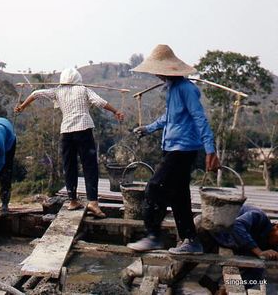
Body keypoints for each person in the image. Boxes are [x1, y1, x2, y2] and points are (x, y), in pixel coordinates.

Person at [126, 44, 220, 254]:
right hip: (171, 147)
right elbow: (169, 118)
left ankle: (152, 236)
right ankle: (191, 240)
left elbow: (199, 118)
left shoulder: (186, 89)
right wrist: (148, 128)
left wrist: (210, 149)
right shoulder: (172, 88)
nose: (157, 75)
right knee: (179, 196)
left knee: (154, 187)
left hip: (183, 149)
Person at [14, 67, 124, 218]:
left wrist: (22, 107)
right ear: (77, 79)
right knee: (90, 166)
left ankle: (73, 200)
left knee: (69, 165)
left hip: (66, 133)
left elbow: (35, 94)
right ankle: (93, 202)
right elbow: (99, 102)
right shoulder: (83, 90)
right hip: (84, 130)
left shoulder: (57, 91)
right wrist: (115, 111)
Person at [134, 205, 278, 292]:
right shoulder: (258, 217)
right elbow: (237, 225)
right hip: (203, 229)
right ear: (276, 226)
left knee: (255, 274)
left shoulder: (269, 245)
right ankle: (136, 268)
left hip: (219, 239)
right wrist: (258, 251)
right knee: (171, 276)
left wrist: (226, 289)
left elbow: (255, 273)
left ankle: (211, 283)